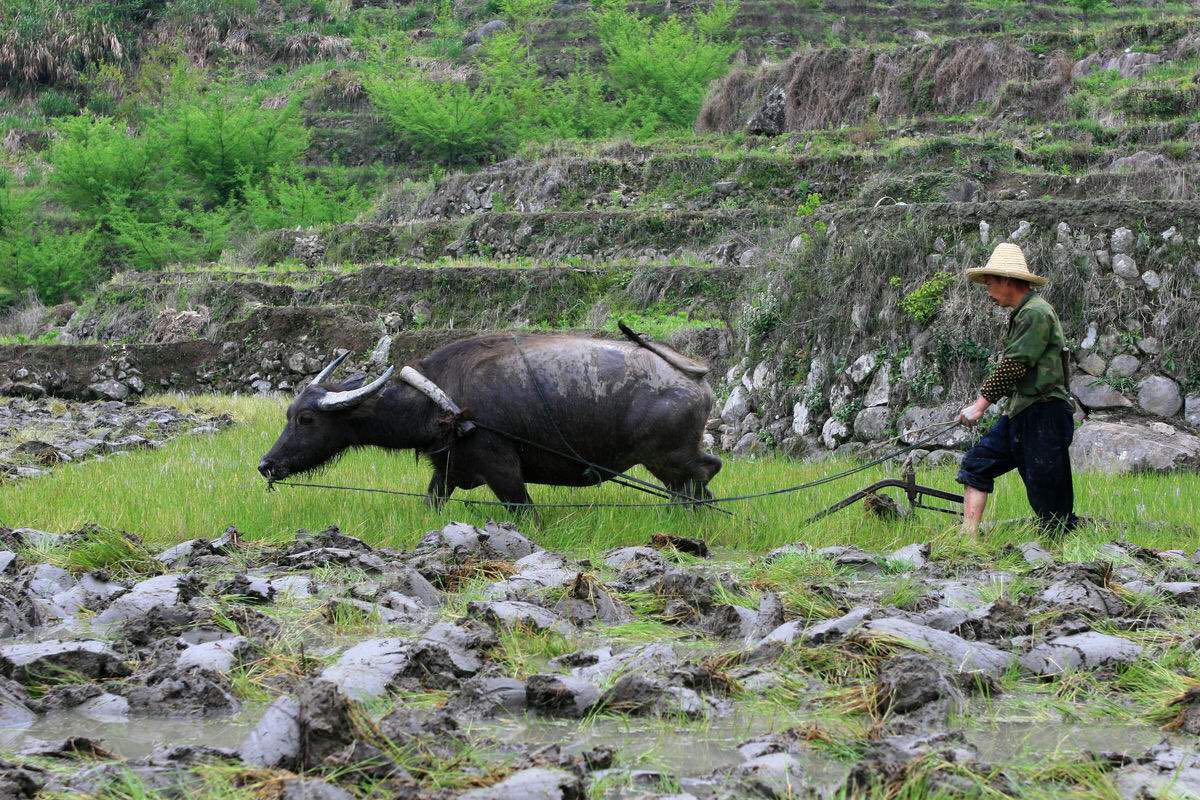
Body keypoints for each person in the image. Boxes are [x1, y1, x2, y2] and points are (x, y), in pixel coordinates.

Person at [955, 243, 1078, 539]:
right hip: (1021, 412)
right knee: (976, 464)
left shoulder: (1035, 313)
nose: (987, 290)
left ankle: (1063, 558)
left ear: (1007, 280)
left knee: (1050, 504)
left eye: (990, 282)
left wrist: (979, 405)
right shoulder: (1023, 313)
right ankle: (967, 539)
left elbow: (1015, 366)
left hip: (1044, 414)